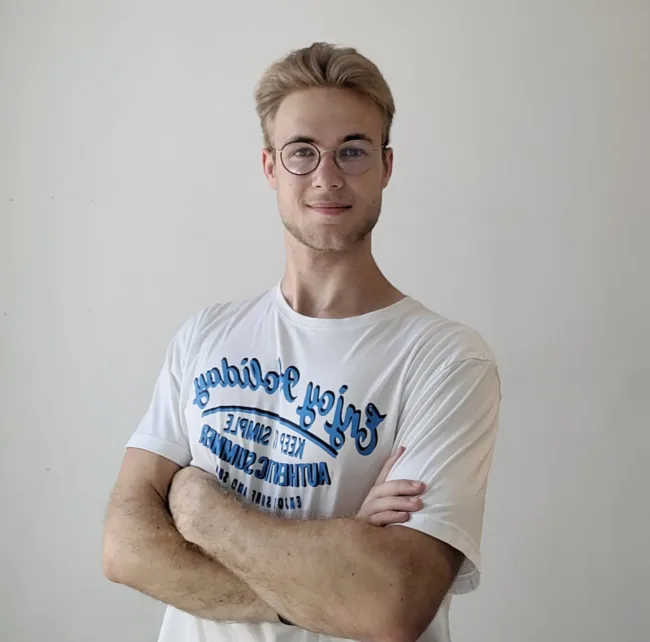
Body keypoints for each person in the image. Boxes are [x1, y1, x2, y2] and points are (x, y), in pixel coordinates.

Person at [102, 42, 502, 642]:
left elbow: (389, 606)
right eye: (302, 152)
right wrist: (336, 565)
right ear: (270, 167)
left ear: (386, 166)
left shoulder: (445, 360)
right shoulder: (205, 335)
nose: (327, 176)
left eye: (352, 150)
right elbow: (125, 547)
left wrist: (198, 510)